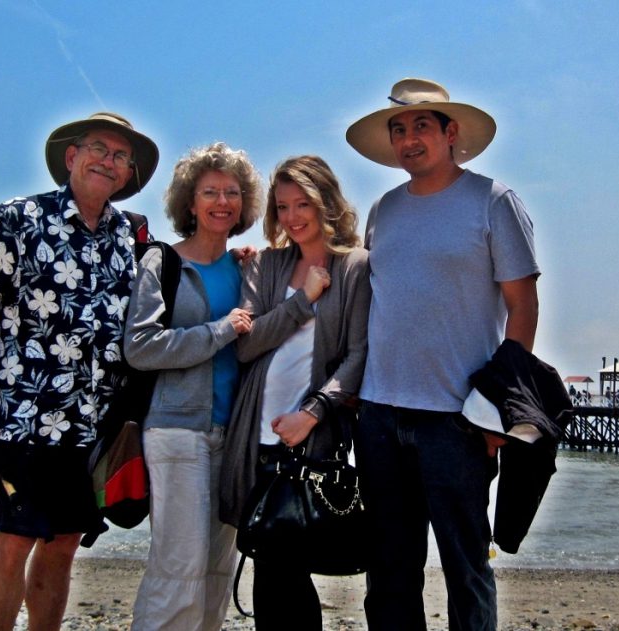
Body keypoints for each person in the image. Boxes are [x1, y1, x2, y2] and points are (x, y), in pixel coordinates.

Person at [0, 112, 159, 631]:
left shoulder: (131, 241)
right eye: (98, 149)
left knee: (63, 545)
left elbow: (181, 276)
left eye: (119, 156)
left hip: (94, 427)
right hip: (26, 419)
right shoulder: (17, 219)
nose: (107, 161)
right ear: (71, 157)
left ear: (128, 174)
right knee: (13, 541)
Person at [345, 78, 539, 630]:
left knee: (465, 567)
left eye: (421, 126)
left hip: (457, 420)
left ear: (451, 133)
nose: (409, 139)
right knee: (388, 571)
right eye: (399, 129)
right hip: (379, 415)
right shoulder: (382, 210)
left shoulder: (493, 201)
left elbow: (523, 308)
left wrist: (498, 410)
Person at [218, 155, 371, 630]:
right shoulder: (265, 265)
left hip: (310, 439)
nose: (292, 217)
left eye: (303, 203)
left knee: (291, 564)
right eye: (282, 207)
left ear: (326, 201)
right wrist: (303, 301)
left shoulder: (355, 267)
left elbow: (359, 355)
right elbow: (245, 347)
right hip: (254, 439)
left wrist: (312, 413)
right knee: (269, 566)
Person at [123, 142, 261, 630]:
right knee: (177, 569)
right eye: (210, 192)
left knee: (217, 571)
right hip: (176, 430)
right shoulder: (162, 263)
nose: (222, 201)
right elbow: (139, 347)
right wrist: (221, 329)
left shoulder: (248, 267)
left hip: (235, 436)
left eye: (232, 192)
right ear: (190, 201)